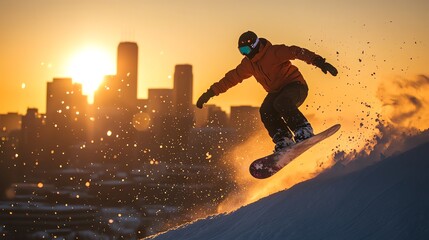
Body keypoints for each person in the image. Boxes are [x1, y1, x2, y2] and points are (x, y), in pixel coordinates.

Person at [196, 31, 338, 154]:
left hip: (295, 86)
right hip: (276, 92)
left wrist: (318, 61)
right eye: (242, 52)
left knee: (281, 102)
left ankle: (303, 129)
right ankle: (283, 138)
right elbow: (231, 78)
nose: (245, 54)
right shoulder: (248, 64)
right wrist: (209, 93)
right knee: (265, 110)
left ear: (254, 46)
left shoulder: (274, 52)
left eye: (246, 50)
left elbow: (296, 51)